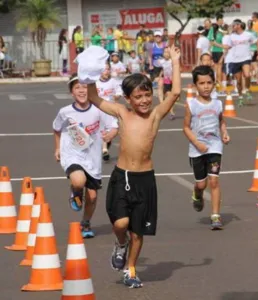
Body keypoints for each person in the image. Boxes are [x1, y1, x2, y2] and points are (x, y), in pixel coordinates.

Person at [79, 45, 181, 288]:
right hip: (122, 177)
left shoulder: (155, 115)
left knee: (138, 231)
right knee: (121, 224)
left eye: (147, 95)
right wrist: (90, 73)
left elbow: (175, 92)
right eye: (138, 97)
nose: (144, 100)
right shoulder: (122, 113)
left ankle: (131, 269)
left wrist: (175, 61)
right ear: (128, 99)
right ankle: (120, 244)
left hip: (145, 179)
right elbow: (93, 97)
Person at [52, 73, 118, 238]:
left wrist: (110, 135)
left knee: (93, 196)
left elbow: (113, 126)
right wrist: (58, 148)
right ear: (71, 92)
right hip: (72, 155)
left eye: (84, 87)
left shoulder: (99, 110)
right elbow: (57, 128)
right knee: (79, 180)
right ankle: (75, 190)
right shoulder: (65, 112)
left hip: (92, 158)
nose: (81, 91)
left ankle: (86, 222)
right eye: (77, 88)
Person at [183, 65, 230, 230]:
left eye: (209, 83)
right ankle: (197, 194)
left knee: (214, 181)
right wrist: (197, 143)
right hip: (197, 148)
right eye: (202, 83)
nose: (206, 86)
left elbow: (221, 121)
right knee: (202, 184)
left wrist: (224, 133)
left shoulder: (217, 104)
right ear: (195, 85)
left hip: (214, 146)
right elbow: (186, 127)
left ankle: (216, 215)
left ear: (214, 84)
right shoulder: (191, 104)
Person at [95, 60, 121, 161]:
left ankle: (106, 143)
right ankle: (105, 149)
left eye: (108, 69)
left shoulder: (113, 82)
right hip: (99, 109)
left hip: (110, 110)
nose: (106, 71)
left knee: (113, 129)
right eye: (104, 69)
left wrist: (117, 96)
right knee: (102, 129)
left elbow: (119, 91)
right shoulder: (95, 83)